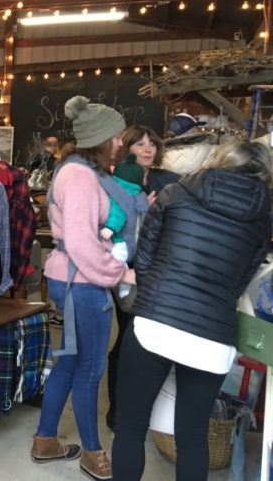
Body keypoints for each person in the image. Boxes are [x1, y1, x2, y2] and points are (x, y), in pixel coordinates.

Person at [112, 140, 272, 481]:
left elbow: (143, 259)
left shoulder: (176, 192)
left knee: (130, 429)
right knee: (193, 439)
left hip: (155, 322)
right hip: (212, 337)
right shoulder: (263, 218)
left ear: (220, 159)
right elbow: (241, 280)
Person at [31, 95, 135, 481]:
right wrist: (117, 272)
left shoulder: (78, 171)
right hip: (82, 280)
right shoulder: (79, 176)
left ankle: (45, 441)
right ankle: (93, 453)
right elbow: (79, 240)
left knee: (71, 363)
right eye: (119, 136)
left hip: (71, 277)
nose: (122, 142)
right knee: (91, 370)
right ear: (101, 137)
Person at [105, 125, 180, 431]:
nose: (148, 149)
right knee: (128, 334)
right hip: (124, 265)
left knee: (148, 337)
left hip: (157, 266)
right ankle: (118, 411)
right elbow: (107, 222)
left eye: (152, 143)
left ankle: (139, 410)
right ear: (127, 148)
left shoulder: (169, 182)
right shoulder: (114, 181)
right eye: (140, 144)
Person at [161, 112, 218, 176]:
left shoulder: (161, 159)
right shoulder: (214, 150)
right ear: (192, 130)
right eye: (197, 127)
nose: (199, 130)